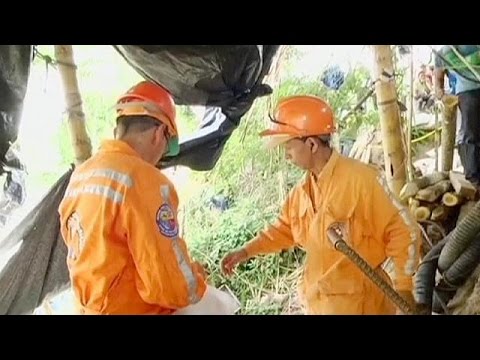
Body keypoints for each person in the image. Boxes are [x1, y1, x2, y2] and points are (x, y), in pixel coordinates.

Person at [221, 95, 420, 315]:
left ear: (312, 144)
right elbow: (283, 230)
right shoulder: (301, 193)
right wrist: (246, 251)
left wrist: (404, 286)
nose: (286, 154)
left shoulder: (361, 180)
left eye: (288, 146)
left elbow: (402, 229)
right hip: (319, 304)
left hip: (361, 306)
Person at [58, 81, 207, 315]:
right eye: (166, 147)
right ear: (159, 134)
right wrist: (196, 280)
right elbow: (167, 285)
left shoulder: (80, 177)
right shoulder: (143, 180)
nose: (160, 157)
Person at [434, 45, 480, 189]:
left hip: (468, 93)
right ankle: (473, 179)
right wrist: (441, 94)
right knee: (470, 133)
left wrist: (440, 91)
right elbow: (438, 76)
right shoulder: (445, 52)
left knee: (471, 133)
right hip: (467, 93)